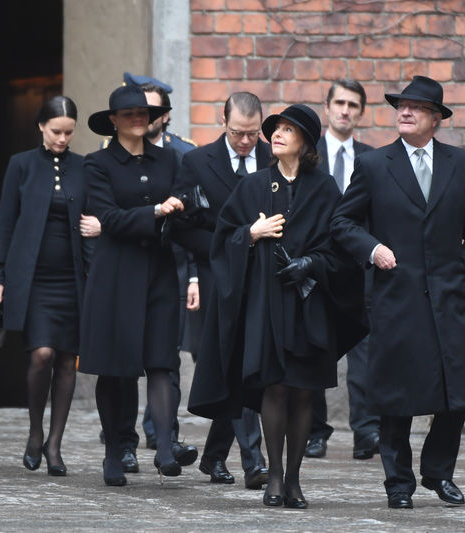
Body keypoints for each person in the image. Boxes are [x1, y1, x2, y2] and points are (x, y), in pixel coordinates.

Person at [188, 104, 365, 509]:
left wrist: (311, 263)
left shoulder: (324, 189)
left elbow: (340, 246)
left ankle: (296, 480)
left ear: (305, 142)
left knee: (303, 391)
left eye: (289, 130)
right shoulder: (252, 186)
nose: (278, 135)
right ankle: (275, 477)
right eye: (277, 129)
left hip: (309, 303)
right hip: (266, 305)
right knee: (275, 385)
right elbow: (222, 240)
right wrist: (251, 233)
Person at [330, 76, 465, 509]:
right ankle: (398, 484)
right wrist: (373, 248)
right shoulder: (374, 165)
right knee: (395, 397)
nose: (405, 111)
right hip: (395, 299)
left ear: (436, 118)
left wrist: (463, 269)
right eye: (401, 105)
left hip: (448, 298)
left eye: (417, 107)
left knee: (458, 393)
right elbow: (342, 223)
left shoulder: (463, 163)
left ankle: (438, 473)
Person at [79, 85, 185, 487]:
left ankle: (163, 450)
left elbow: (182, 206)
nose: (138, 119)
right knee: (116, 368)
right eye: (129, 114)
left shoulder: (169, 160)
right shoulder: (97, 164)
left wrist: (176, 210)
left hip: (158, 270)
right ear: (113, 121)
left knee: (161, 362)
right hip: (116, 274)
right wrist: (156, 210)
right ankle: (113, 452)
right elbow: (106, 216)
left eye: (143, 112)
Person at [0, 96, 94, 476]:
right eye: (55, 132)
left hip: (73, 278)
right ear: (40, 127)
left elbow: (97, 215)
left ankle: (55, 444)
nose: (62, 139)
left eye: (68, 132)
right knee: (42, 354)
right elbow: (5, 222)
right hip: (32, 279)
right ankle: (35, 431)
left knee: (68, 359)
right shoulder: (20, 165)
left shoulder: (85, 167)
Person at [172, 92, 270, 490]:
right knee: (235, 360)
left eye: (253, 133)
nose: (246, 141)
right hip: (219, 276)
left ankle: (214, 456)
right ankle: (254, 461)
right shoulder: (197, 163)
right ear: (223, 122)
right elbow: (182, 227)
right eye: (238, 133)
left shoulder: (272, 157)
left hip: (264, 275)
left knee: (243, 363)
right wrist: (228, 245)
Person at [305, 79, 378, 461]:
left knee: (365, 352)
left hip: (358, 268)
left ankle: (366, 431)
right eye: (339, 103)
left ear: (361, 112)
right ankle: (315, 431)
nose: (345, 110)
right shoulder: (307, 154)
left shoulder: (373, 158)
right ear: (327, 107)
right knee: (316, 347)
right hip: (317, 265)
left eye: (353, 104)